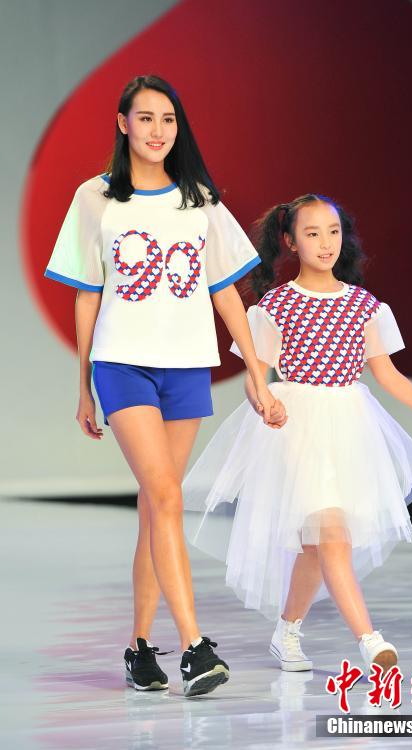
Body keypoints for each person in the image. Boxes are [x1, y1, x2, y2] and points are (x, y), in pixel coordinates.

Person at [44, 75, 280, 696]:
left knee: (157, 507)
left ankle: (139, 648)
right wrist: (83, 385)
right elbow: (87, 295)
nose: (157, 131)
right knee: (167, 497)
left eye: (168, 119)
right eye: (145, 118)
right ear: (122, 123)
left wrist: (257, 376)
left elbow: (225, 291)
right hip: (122, 364)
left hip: (186, 366)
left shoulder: (199, 199)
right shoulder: (95, 197)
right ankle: (195, 648)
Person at [183, 194, 412, 674]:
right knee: (331, 535)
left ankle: (287, 630)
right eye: (312, 233)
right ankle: (369, 639)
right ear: (290, 241)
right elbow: (258, 376)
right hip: (296, 428)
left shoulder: (364, 306)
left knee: (319, 544)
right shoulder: (276, 305)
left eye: (333, 231)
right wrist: (263, 402)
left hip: (350, 427)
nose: (325, 242)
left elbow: (387, 374)